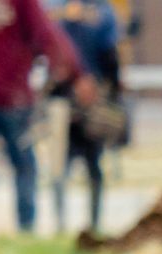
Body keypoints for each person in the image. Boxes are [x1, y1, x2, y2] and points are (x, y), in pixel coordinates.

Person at [0, 0, 94, 235]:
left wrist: (74, 72)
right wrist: (77, 74)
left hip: (0, 98)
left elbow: (46, 35)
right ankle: (10, 230)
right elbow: (47, 35)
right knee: (13, 166)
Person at [50, 0, 123, 234]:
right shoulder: (103, 11)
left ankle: (63, 224)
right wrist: (112, 94)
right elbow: (111, 57)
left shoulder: (53, 7)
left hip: (62, 97)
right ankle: (92, 224)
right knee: (91, 164)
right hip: (90, 98)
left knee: (61, 164)